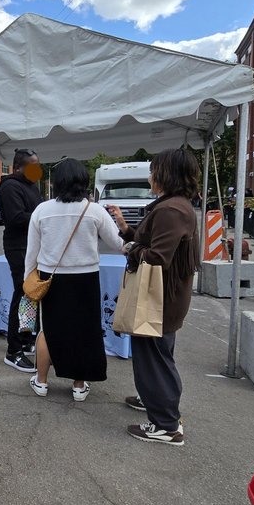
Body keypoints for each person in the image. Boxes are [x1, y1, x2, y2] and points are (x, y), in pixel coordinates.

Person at [108, 148, 200, 447]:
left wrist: (130, 249)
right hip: (164, 297)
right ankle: (155, 401)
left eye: (154, 170)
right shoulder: (173, 205)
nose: (151, 176)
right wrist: (125, 230)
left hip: (160, 299)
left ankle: (165, 424)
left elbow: (158, 256)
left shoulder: (172, 209)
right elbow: (153, 240)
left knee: (155, 358)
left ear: (166, 175)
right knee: (156, 355)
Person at [25, 158, 124, 400]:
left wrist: (27, 279)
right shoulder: (94, 211)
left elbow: (32, 251)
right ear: (83, 181)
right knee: (84, 330)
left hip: (51, 278)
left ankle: (41, 381)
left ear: (58, 182)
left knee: (48, 330)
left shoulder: (42, 210)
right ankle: (79, 385)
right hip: (85, 278)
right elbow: (119, 244)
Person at [0, 148, 43, 372]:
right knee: (22, 294)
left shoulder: (31, 186)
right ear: (18, 167)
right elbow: (16, 219)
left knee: (30, 295)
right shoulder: (10, 187)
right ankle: (13, 350)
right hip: (18, 247)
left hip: (33, 247)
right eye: (32, 166)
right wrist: (43, 215)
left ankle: (25, 340)